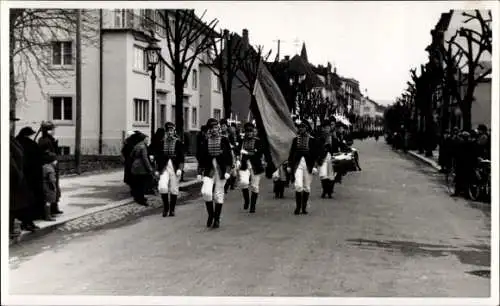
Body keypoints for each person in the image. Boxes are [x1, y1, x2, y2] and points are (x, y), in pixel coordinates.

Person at [197, 118, 233, 228]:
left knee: (218, 194)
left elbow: (229, 158)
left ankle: (217, 219)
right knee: (206, 192)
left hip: (221, 171)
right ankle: (211, 215)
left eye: (216, 127)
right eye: (212, 128)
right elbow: (201, 159)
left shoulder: (224, 140)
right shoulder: (205, 141)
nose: (214, 130)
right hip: (209, 170)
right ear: (209, 129)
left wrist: (228, 170)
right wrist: (199, 172)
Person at [10, 113, 36, 236]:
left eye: (12, 122)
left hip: (22, 176)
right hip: (15, 178)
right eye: (10, 121)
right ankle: (15, 227)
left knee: (24, 202)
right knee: (15, 204)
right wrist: (18, 174)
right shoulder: (11, 139)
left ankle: (25, 222)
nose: (11, 124)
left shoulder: (12, 139)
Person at [287, 119, 319, 215]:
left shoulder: (312, 140)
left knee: (307, 187)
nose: (301, 129)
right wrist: (289, 165)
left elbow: (315, 155)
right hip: (297, 164)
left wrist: (315, 166)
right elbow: (291, 153)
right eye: (300, 127)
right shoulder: (295, 140)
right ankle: (297, 207)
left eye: (303, 127)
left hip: (308, 165)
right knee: (298, 185)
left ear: (307, 128)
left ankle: (304, 207)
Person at [154, 122, 185, 217]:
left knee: (173, 189)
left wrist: (180, 168)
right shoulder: (161, 142)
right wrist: (157, 169)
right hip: (164, 168)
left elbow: (181, 157)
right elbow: (158, 157)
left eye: (171, 130)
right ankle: (166, 207)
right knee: (162, 186)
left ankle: (172, 209)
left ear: (174, 131)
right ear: (166, 132)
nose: (170, 132)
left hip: (174, 168)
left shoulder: (178, 142)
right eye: (168, 131)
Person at [16, 126, 46, 221]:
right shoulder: (28, 144)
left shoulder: (18, 142)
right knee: (31, 195)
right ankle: (32, 215)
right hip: (32, 173)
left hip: (27, 172)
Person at [236, 122, 265, 213]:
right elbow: (237, 150)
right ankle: (247, 200)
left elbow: (258, 153)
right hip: (244, 164)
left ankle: (253, 205)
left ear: (253, 132)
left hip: (255, 165)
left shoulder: (258, 141)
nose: (249, 133)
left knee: (254, 186)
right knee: (244, 182)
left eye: (251, 131)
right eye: (247, 131)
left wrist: (248, 153)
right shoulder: (241, 141)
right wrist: (237, 157)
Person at [37, 121, 63, 215]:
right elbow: (44, 155)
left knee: (54, 187)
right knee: (50, 188)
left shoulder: (50, 139)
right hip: (48, 167)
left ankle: (54, 207)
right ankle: (49, 210)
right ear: (48, 130)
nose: (54, 131)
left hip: (52, 167)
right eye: (52, 129)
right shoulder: (44, 140)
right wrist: (52, 158)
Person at [129, 132, 155, 206]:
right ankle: (141, 199)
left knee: (137, 183)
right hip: (141, 168)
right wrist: (150, 168)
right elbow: (145, 159)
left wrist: (136, 160)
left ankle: (137, 197)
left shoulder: (137, 145)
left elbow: (131, 155)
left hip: (135, 166)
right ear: (144, 139)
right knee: (142, 184)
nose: (148, 141)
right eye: (147, 139)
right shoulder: (143, 147)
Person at [318, 120, 335, 198]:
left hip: (330, 157)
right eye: (326, 128)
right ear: (323, 128)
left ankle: (329, 192)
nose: (328, 129)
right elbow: (318, 148)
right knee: (323, 175)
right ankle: (325, 191)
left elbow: (335, 146)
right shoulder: (320, 137)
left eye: (328, 127)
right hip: (323, 157)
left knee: (330, 175)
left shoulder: (332, 136)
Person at [42, 153, 58, 221]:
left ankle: (47, 214)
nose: (56, 162)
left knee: (46, 200)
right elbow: (52, 180)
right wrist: (54, 187)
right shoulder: (50, 169)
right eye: (55, 160)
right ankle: (48, 216)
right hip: (49, 186)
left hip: (43, 185)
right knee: (48, 201)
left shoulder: (44, 166)